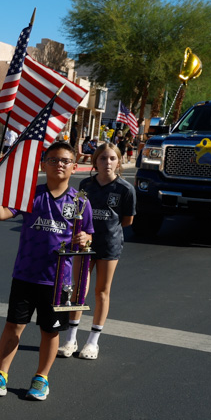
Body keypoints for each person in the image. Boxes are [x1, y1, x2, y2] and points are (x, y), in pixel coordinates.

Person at [0, 141, 93, 401]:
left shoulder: (79, 201)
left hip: (58, 282)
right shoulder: (30, 194)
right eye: (53, 160)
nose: (59, 164)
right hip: (25, 274)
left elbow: (87, 237)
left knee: (50, 331)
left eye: (64, 160)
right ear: (43, 164)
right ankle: (0, 376)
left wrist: (84, 238)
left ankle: (41, 378)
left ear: (74, 167)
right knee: (13, 326)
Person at [59, 142, 135, 360]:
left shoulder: (125, 189)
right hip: (83, 245)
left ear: (119, 161)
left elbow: (127, 220)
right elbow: (76, 213)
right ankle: (70, 339)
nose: (107, 162)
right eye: (102, 158)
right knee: (78, 289)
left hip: (109, 245)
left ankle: (93, 342)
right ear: (95, 162)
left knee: (102, 291)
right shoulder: (85, 185)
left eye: (112, 158)